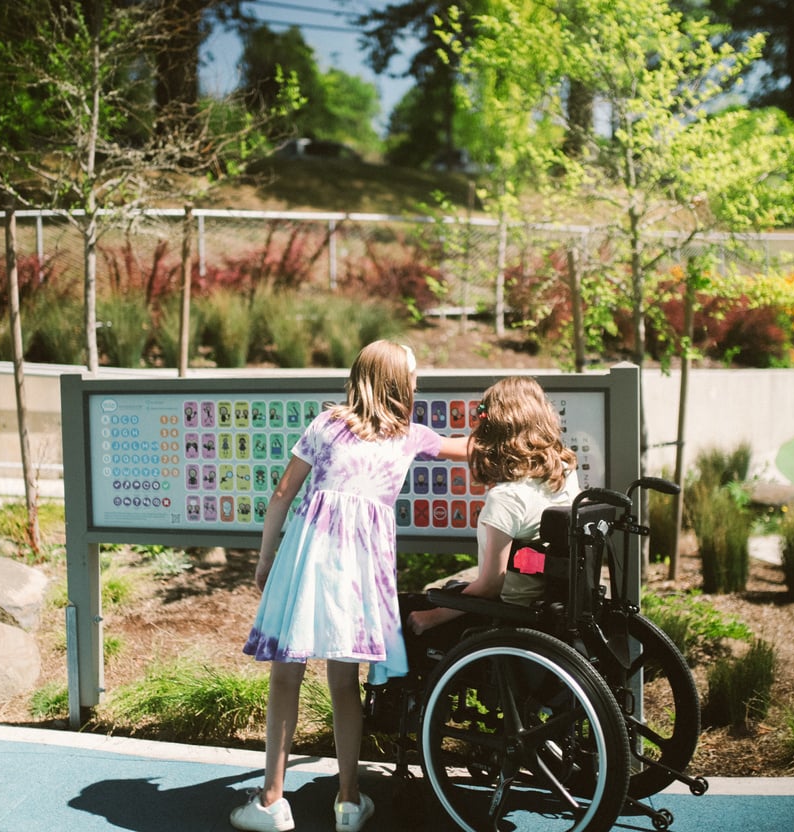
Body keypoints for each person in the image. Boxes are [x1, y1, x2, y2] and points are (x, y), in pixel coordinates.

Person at [229, 340, 468, 832]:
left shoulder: (326, 424)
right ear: (398, 384)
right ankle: (349, 802)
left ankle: (272, 801)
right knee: (344, 686)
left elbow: (282, 493)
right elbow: (468, 449)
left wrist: (266, 558)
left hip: (307, 559)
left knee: (285, 676)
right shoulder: (409, 437)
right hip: (360, 573)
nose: (419, 381)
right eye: (414, 373)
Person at [406, 375, 579, 637]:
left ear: (496, 429)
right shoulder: (564, 471)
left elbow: (488, 587)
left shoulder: (507, 498)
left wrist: (430, 617)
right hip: (550, 607)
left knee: (405, 607)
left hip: (510, 615)